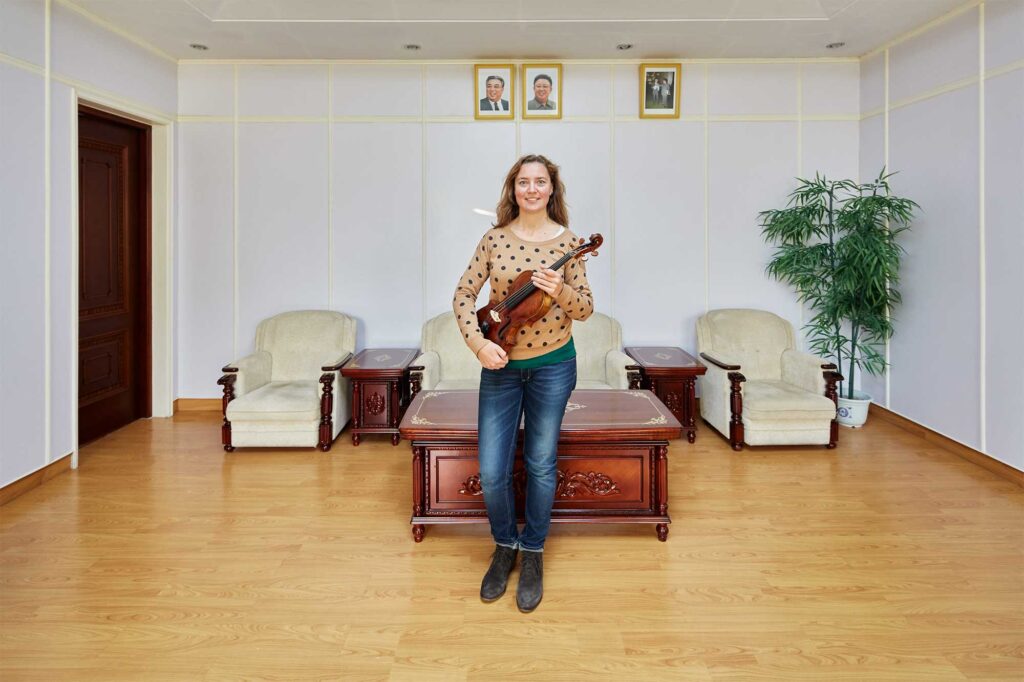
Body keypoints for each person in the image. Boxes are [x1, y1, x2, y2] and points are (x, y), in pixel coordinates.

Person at [452, 154, 593, 613]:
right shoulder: (494, 239)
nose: (531, 189)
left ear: (552, 189)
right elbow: (463, 295)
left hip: (554, 366)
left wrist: (559, 291)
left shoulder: (570, 243)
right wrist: (478, 345)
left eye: (540, 182)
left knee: (540, 462)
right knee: (492, 471)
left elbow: (585, 309)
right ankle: (503, 546)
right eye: (523, 182)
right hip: (500, 366)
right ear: (513, 189)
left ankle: (532, 551)